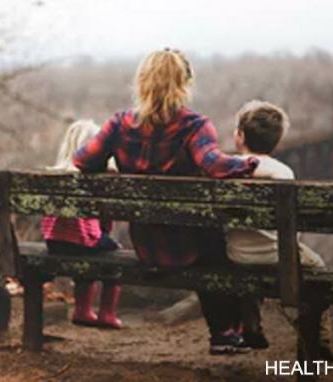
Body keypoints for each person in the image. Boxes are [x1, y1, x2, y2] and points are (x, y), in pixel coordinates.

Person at [74, 48, 259, 354]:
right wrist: (249, 163)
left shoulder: (120, 124)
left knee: (210, 240)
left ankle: (229, 331)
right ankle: (225, 332)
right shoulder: (194, 126)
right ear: (184, 83)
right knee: (219, 243)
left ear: (142, 82)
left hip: (147, 245)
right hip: (192, 247)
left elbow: (82, 159)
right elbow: (214, 164)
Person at [225, 100, 333, 358]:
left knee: (246, 271)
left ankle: (249, 320)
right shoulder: (282, 172)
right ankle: (321, 339)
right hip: (278, 256)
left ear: (240, 136)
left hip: (237, 255)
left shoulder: (227, 168)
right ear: (276, 141)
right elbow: (291, 229)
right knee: (318, 269)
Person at [41, 119, 124, 329]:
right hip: (83, 241)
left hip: (54, 242)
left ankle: (82, 310)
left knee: (88, 249)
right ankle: (106, 313)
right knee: (114, 253)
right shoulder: (96, 176)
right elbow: (105, 221)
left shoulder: (55, 174)